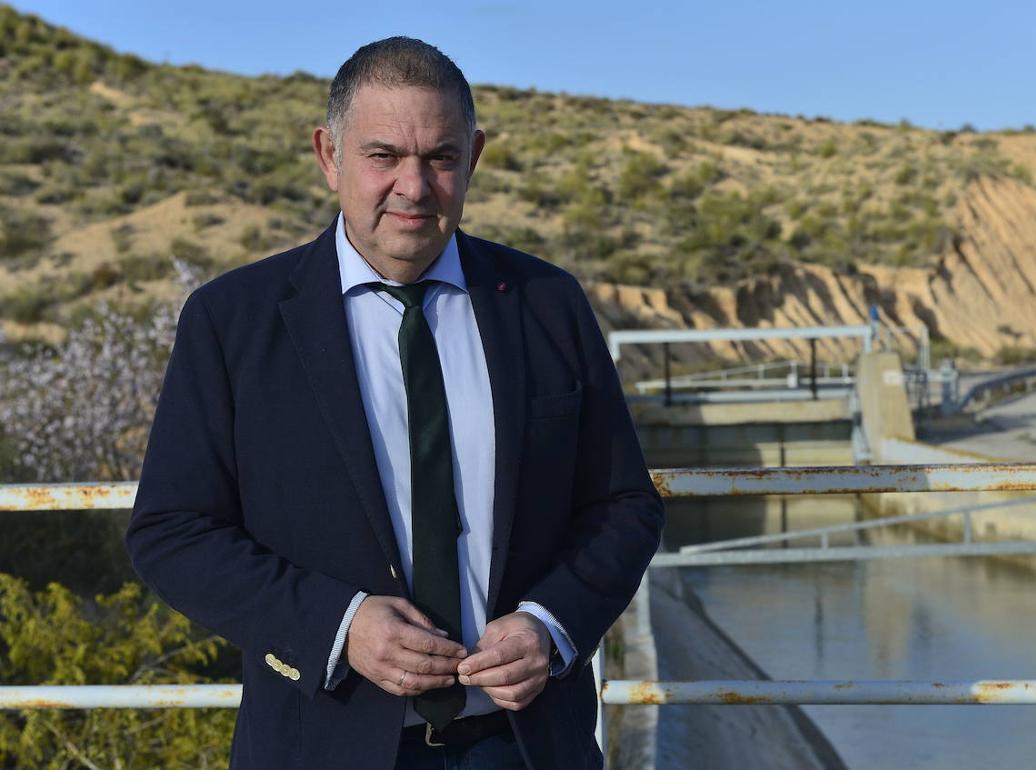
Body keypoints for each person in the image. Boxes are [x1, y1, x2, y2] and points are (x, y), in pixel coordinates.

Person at [127, 37, 663, 770]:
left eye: (440, 157)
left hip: (524, 746)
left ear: (473, 158)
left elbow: (624, 505)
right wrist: (339, 627)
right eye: (383, 156)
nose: (413, 186)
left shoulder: (547, 304)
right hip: (322, 746)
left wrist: (550, 623)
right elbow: (173, 531)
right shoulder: (231, 322)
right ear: (329, 155)